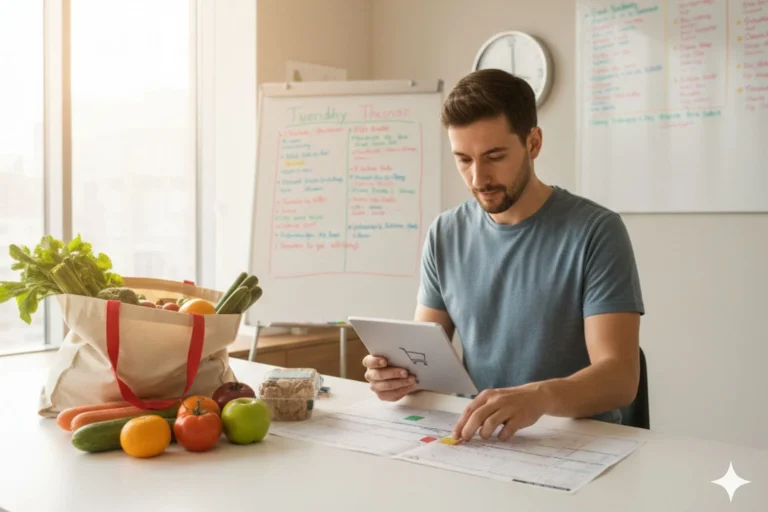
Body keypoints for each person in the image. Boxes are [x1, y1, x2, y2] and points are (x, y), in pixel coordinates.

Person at [362, 68, 645, 442]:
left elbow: (620, 378)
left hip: (575, 441)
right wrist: (396, 377)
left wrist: (539, 397)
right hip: (479, 439)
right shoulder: (445, 233)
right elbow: (426, 360)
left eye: (494, 156)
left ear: (533, 143)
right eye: (463, 159)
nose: (478, 178)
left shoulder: (596, 231)